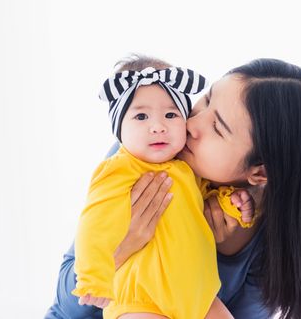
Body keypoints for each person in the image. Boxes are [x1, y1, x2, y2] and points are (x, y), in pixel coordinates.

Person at [46, 58, 301, 319]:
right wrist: (122, 247)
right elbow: (66, 306)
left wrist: (227, 256)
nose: (191, 123)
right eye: (205, 100)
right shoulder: (148, 151)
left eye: (217, 128)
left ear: (260, 172)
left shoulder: (270, 230)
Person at [71, 56, 253, 319]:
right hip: (140, 300)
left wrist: (230, 203)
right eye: (141, 116)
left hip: (199, 298)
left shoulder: (186, 167)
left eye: (170, 114)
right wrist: (94, 277)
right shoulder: (118, 169)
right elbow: (93, 224)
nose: (158, 127)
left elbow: (203, 201)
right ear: (119, 127)